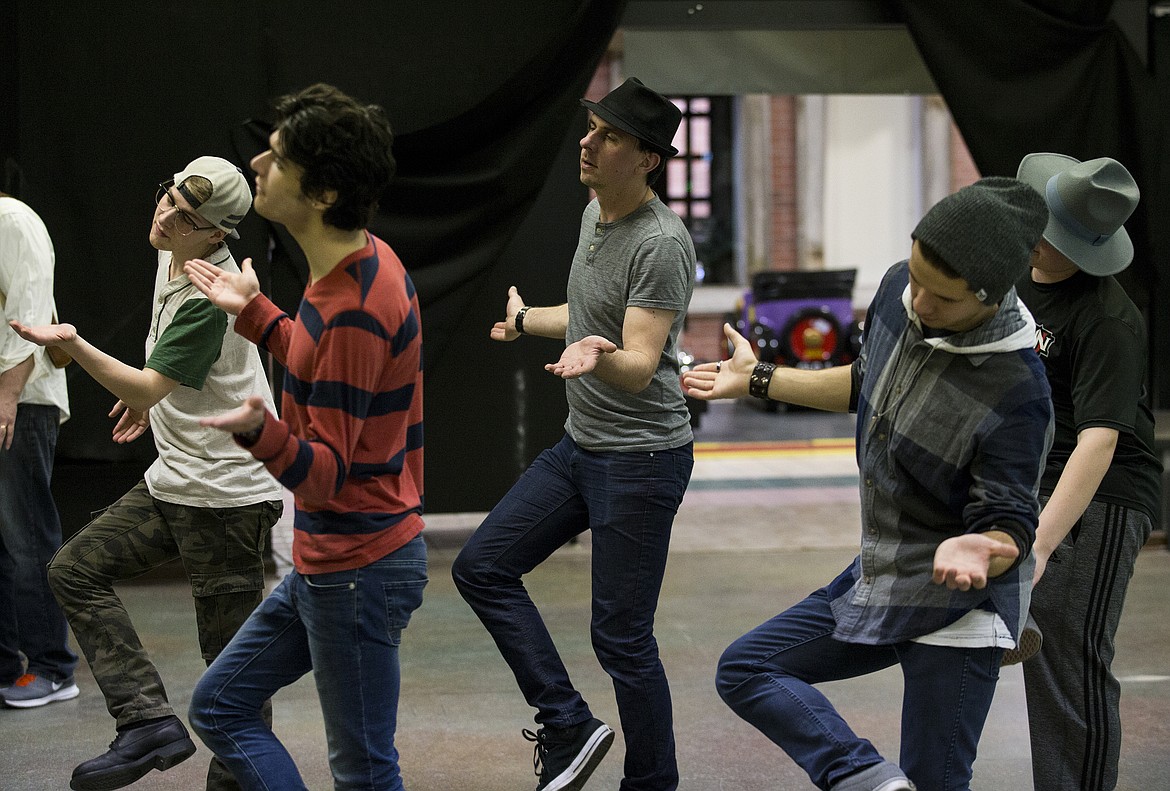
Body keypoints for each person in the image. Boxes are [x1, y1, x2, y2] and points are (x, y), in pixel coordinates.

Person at [682, 177, 1054, 791]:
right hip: (884, 572)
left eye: (944, 297)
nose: (920, 302)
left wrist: (983, 544)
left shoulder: (1018, 389)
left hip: (960, 605)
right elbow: (867, 382)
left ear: (990, 298)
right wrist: (760, 379)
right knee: (748, 669)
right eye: (915, 278)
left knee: (937, 780)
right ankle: (867, 780)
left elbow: (1011, 517)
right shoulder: (894, 291)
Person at [9, 157, 284, 791]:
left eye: (184, 218)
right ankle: (146, 724)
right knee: (74, 570)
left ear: (215, 235)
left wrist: (76, 347)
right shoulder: (172, 251)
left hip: (226, 497)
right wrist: (151, 406)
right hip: (179, 478)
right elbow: (162, 381)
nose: (163, 217)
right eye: (166, 199)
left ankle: (235, 783)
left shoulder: (204, 299)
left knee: (232, 668)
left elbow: (151, 380)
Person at [451, 77, 695, 791]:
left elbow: (642, 363)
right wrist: (529, 320)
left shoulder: (661, 243)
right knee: (482, 567)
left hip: (644, 460)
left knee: (622, 638)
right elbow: (590, 318)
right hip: (581, 446)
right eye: (590, 127)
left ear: (646, 158)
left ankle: (651, 783)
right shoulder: (595, 214)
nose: (587, 142)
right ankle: (567, 722)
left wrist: (601, 354)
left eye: (609, 135)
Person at [183, 83, 426, 791]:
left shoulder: (353, 303)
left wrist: (262, 431)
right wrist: (257, 314)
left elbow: (325, 476)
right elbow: (323, 364)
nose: (258, 161)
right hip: (340, 561)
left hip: (356, 564)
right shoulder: (353, 267)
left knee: (364, 770)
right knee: (221, 706)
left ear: (321, 193)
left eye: (279, 157)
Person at [1013, 153, 1160, 791]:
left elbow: (1099, 443)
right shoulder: (1025, 275)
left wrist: (1041, 544)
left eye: (1056, 241)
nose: (1039, 245)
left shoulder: (1108, 318)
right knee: (1036, 658)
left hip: (1097, 499)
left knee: (1069, 663)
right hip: (1036, 480)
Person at [0, 187, 76, 709]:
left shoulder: (11, 219)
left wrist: (7, 397)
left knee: (26, 536)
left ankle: (52, 665)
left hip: (20, 400)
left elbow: (29, 315)